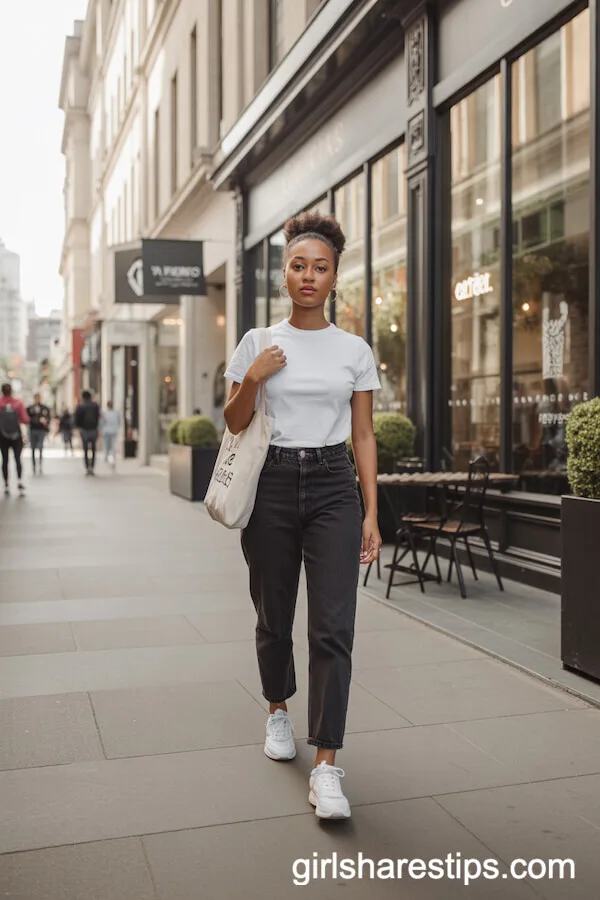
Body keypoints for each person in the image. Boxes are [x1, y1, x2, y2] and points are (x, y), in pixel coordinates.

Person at [223, 212, 382, 820]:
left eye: (320, 267)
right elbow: (234, 424)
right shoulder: (258, 342)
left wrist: (371, 510)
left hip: (335, 487)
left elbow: (364, 435)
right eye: (298, 266)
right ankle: (278, 709)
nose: (309, 275)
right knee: (273, 613)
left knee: (333, 626)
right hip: (272, 482)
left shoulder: (355, 350)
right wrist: (255, 378)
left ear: (334, 278)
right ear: (284, 276)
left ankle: (326, 766)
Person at [0, 383, 29, 495]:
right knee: (17, 459)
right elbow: (25, 419)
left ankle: (6, 483)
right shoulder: (18, 403)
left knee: (5, 459)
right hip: (16, 435)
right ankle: (19, 481)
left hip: (2, 436)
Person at [74, 390, 101, 475]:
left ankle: (87, 467)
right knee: (93, 449)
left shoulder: (80, 406)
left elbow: (77, 418)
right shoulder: (95, 406)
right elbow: (98, 417)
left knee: (85, 449)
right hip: (93, 429)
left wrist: (78, 428)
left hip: (84, 430)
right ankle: (92, 466)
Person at [27, 393, 50, 475]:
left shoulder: (44, 408)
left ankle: (40, 465)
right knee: (33, 449)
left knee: (40, 448)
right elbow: (26, 418)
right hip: (33, 430)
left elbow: (48, 418)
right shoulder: (30, 408)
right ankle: (33, 466)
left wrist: (45, 421)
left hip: (41, 430)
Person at [100, 400, 120, 468]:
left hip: (107, 431)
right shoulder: (115, 413)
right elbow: (119, 422)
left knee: (107, 446)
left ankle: (107, 458)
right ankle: (110, 458)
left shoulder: (105, 413)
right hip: (112, 431)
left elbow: (102, 423)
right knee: (112, 445)